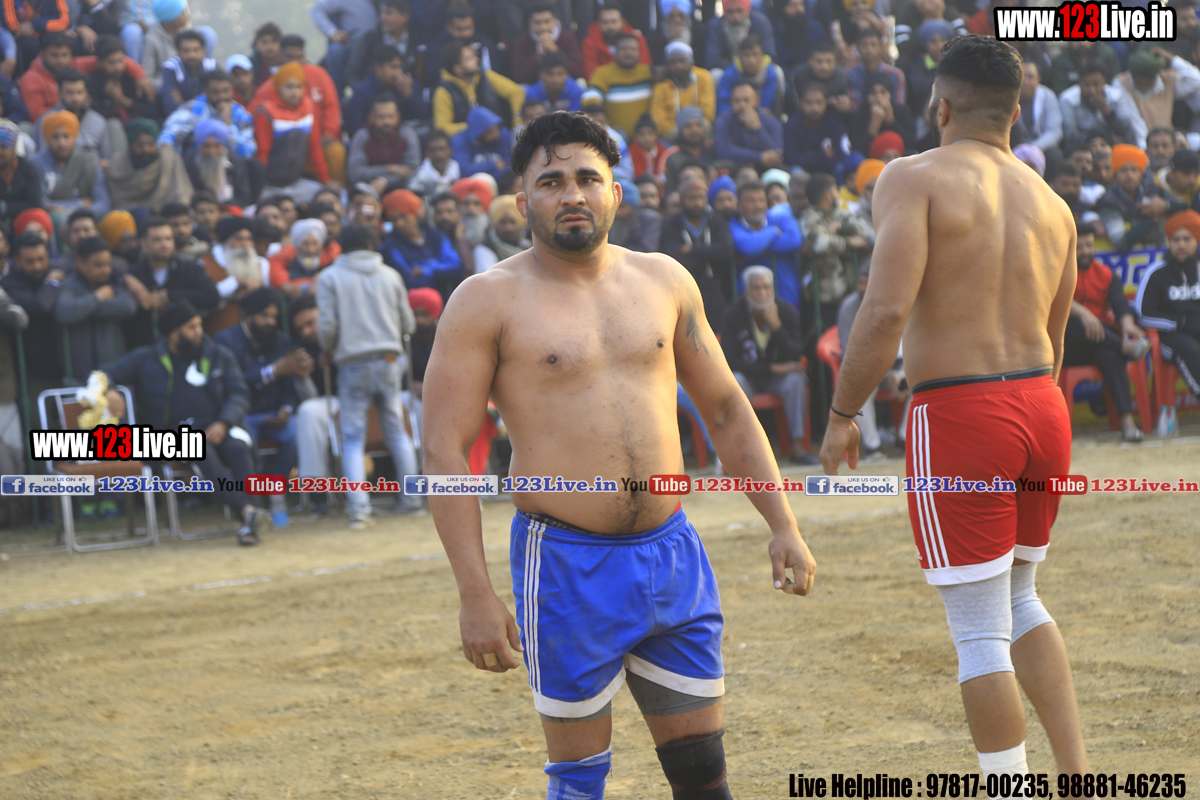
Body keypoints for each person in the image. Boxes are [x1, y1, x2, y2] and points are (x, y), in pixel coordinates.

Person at [423, 108, 816, 798]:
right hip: (565, 565)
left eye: (586, 178)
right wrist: (475, 593)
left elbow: (727, 410)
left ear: (615, 191)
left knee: (703, 774)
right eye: (551, 182)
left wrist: (783, 524)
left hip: (672, 552)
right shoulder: (484, 301)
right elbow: (445, 452)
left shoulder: (665, 280)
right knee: (579, 780)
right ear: (523, 200)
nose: (571, 194)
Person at [820, 36, 1088, 780]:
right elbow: (1056, 336)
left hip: (961, 411)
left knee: (978, 632)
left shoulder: (913, 177)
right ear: (1016, 112)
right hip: (1042, 404)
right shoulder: (1053, 203)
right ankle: (1076, 777)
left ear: (940, 107)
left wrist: (843, 414)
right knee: (1021, 598)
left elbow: (883, 311)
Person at [101, 299, 272, 546]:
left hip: (218, 427)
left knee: (238, 448)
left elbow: (239, 394)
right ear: (174, 333)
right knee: (200, 449)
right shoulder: (147, 357)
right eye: (192, 327)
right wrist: (109, 389)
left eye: (199, 325)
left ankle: (249, 522)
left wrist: (224, 422)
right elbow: (101, 374)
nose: (199, 332)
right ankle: (249, 513)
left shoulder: (218, 355)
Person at [315, 223, 421, 526]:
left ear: (341, 246)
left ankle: (359, 509)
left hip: (353, 362)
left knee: (352, 439)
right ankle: (412, 501)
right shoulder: (390, 275)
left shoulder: (330, 277)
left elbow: (327, 328)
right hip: (389, 360)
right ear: (371, 244)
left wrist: (328, 347)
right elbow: (408, 324)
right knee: (397, 432)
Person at [722, 265, 816, 464]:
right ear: (746, 292)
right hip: (748, 378)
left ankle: (797, 446)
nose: (762, 293)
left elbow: (795, 354)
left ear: (773, 289)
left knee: (796, 379)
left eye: (766, 287)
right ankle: (742, 451)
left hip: (777, 380)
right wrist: (772, 368)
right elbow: (729, 361)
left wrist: (776, 326)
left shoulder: (787, 311)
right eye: (756, 288)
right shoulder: (733, 314)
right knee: (735, 380)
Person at [213, 287, 309, 476]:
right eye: (265, 316)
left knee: (301, 433)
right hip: (244, 415)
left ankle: (275, 486)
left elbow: (289, 383)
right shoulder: (225, 341)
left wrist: (286, 408)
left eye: (274, 317)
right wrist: (271, 372)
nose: (271, 322)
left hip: (275, 413)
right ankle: (251, 490)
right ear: (249, 315)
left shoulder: (282, 341)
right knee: (242, 445)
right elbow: (229, 385)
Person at [1066, 225, 1149, 442]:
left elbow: (1120, 306)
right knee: (1074, 325)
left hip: (1100, 343)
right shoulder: (1061, 272)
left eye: (1089, 245)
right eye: (1079, 247)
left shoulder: (1105, 273)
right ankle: (1126, 347)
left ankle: (1127, 423)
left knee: (1110, 356)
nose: (1085, 251)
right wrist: (1084, 314)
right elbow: (1057, 300)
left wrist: (1128, 324)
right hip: (1069, 347)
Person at [123, 215, 220, 347]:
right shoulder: (134, 273)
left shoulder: (189, 268)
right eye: (157, 240)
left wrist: (169, 296)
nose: (164, 244)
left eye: (168, 238)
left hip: (187, 345)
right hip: (145, 345)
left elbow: (212, 297)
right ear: (143, 243)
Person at [1135, 209, 1200, 401]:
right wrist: (1179, 323)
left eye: (1187, 239)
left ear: (1196, 241)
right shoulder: (1156, 273)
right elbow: (1142, 314)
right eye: (1176, 240)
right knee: (1190, 351)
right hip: (1169, 336)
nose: (1181, 245)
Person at [55, 236, 137, 378]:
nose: (105, 270)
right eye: (98, 265)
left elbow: (128, 306)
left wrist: (82, 309)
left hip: (112, 374)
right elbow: (64, 312)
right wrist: (97, 297)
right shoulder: (69, 285)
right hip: (77, 375)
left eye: (108, 264)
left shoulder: (113, 283)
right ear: (80, 263)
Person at [661, 175, 735, 329]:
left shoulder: (716, 221)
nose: (697, 203)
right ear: (682, 199)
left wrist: (692, 250)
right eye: (692, 198)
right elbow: (672, 257)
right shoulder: (671, 225)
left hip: (717, 294)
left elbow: (726, 251)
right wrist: (709, 255)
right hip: (684, 292)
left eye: (701, 197)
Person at [253, 63, 330, 203]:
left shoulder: (308, 107)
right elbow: (262, 153)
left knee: (326, 196)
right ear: (278, 88)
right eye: (289, 87)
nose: (294, 91)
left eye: (298, 87)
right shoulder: (266, 112)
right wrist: (257, 189)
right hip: (269, 186)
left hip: (295, 185)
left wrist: (325, 181)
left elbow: (315, 147)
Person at [1, 232, 63, 394]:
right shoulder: (11, 283)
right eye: (30, 261)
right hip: (31, 371)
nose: (37, 266)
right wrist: (52, 283)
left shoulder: (57, 270)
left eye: (41, 259)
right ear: (17, 261)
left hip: (62, 364)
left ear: (48, 255)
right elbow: (39, 306)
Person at [379, 188, 465, 299]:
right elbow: (408, 282)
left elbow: (458, 270)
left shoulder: (437, 237)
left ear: (415, 214)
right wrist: (441, 272)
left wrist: (424, 270)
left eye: (404, 216)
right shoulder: (390, 247)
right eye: (394, 219)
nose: (399, 223)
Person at [432, 40, 524, 138]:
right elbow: (442, 127)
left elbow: (516, 92)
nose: (477, 59)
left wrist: (518, 123)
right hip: (468, 140)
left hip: (495, 134)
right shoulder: (443, 92)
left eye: (474, 55)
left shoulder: (484, 76)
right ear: (458, 69)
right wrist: (477, 127)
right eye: (469, 58)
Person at [159, 68, 257, 161]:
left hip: (229, 165)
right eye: (216, 92)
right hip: (196, 164)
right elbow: (169, 134)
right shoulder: (192, 109)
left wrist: (228, 123)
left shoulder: (240, 113)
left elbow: (247, 152)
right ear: (206, 92)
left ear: (232, 90)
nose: (222, 96)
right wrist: (166, 146)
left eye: (226, 91)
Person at [31, 109, 112, 220]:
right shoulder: (35, 163)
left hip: (86, 220)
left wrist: (76, 214)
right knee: (56, 218)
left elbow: (103, 203)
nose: (61, 143)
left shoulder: (88, 161)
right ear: (47, 140)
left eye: (66, 136)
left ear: (74, 137)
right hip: (52, 221)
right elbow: (40, 203)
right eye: (55, 137)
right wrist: (80, 204)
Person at [108, 117, 194, 211]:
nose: (146, 149)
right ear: (131, 146)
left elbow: (181, 194)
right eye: (140, 145)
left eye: (150, 143)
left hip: (165, 213)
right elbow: (117, 200)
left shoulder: (169, 159)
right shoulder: (117, 165)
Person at [1059, 60, 1147, 151]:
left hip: (1111, 145)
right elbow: (1069, 135)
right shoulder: (1068, 99)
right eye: (1087, 85)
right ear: (1079, 83)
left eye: (1096, 84)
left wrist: (1107, 111)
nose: (1092, 90)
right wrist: (1096, 142)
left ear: (1104, 82)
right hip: (1083, 147)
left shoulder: (1116, 97)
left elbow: (1126, 129)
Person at [32, 69, 113, 164]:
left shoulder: (98, 121)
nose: (75, 98)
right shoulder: (48, 120)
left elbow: (106, 158)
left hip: (92, 169)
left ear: (86, 93)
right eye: (70, 93)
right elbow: (43, 157)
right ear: (60, 94)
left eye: (79, 92)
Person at [342, 46, 425, 138]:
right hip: (373, 141)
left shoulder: (407, 85)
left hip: (403, 139)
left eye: (400, 67)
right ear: (378, 68)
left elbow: (422, 117)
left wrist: (409, 95)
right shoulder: (362, 92)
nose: (398, 72)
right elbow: (355, 128)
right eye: (393, 67)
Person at [347, 94, 422, 193]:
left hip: (401, 190)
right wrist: (390, 168)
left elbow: (412, 172)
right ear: (371, 117)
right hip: (368, 190)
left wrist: (385, 180)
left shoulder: (408, 135)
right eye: (381, 117)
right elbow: (355, 173)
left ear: (398, 116)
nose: (387, 121)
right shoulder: (362, 137)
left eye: (391, 116)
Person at [588, 33, 655, 141]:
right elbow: (590, 100)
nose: (628, 53)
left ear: (639, 53)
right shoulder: (603, 73)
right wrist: (605, 125)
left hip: (645, 138)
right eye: (623, 49)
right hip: (615, 137)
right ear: (615, 52)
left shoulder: (649, 73)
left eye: (633, 49)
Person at [650, 41, 715, 142]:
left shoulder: (704, 77)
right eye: (673, 62)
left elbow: (708, 112)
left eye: (682, 61)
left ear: (690, 62)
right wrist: (683, 129)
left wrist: (692, 126)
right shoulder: (661, 86)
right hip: (674, 131)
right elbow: (658, 120)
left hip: (698, 125)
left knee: (705, 125)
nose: (678, 66)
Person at [713, 81, 784, 169]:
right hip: (735, 168)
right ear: (731, 101)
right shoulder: (723, 121)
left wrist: (757, 128)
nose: (742, 105)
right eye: (737, 101)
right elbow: (724, 150)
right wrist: (759, 157)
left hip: (767, 169)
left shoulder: (772, 122)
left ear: (757, 100)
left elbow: (777, 154)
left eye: (746, 100)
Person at [345, 0, 415, 87]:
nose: (383, 17)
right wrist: (362, 92)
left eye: (388, 13)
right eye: (382, 12)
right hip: (370, 91)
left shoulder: (416, 40)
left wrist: (409, 92)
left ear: (404, 17)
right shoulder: (370, 38)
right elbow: (352, 71)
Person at [510, 2, 583, 85]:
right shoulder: (521, 40)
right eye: (537, 23)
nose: (543, 27)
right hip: (534, 87)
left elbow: (578, 72)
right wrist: (538, 56)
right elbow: (519, 77)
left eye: (547, 21)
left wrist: (556, 51)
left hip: (564, 85)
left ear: (554, 20)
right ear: (530, 23)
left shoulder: (568, 38)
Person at [715, 35, 784, 117]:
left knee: (779, 71)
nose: (751, 60)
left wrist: (754, 117)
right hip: (733, 116)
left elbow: (767, 104)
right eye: (747, 55)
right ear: (740, 57)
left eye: (755, 54)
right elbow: (723, 105)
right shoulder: (729, 74)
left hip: (760, 116)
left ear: (762, 55)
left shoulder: (769, 73)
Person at [581, 3, 651, 79]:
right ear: (599, 23)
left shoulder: (638, 40)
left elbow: (646, 69)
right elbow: (591, 75)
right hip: (604, 84)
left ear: (623, 22)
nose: (610, 26)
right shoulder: (590, 42)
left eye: (614, 21)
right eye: (605, 22)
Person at [704, 0, 776, 71]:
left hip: (757, 69)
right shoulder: (715, 26)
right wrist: (737, 68)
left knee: (776, 71)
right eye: (730, 12)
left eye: (739, 11)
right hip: (727, 70)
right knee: (716, 73)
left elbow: (769, 54)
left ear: (747, 9)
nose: (736, 16)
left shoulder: (761, 22)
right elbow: (712, 60)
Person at [0, 120, 43, 233]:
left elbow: (35, 204)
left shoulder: (27, 169)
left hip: (23, 223)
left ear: (14, 148)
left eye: (3, 147)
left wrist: (5, 207)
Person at [450, 106, 515, 180]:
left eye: (497, 129)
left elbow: (510, 167)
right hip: (474, 183)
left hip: (503, 182)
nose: (497, 135)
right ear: (479, 133)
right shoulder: (461, 141)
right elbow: (462, 171)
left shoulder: (503, 135)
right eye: (491, 132)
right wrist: (493, 166)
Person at [160, 29, 215, 115]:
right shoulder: (171, 68)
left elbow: (218, 102)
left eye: (196, 50)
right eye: (186, 51)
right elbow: (171, 106)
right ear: (178, 52)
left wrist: (184, 103)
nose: (191, 55)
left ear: (204, 51)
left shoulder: (211, 67)